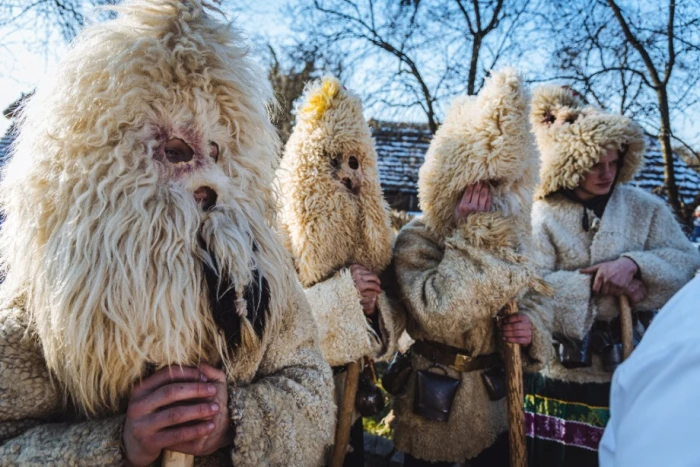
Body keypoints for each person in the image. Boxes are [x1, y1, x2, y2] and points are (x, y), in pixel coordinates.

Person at [0, 1, 335, 465]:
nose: (211, 182)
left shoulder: (265, 275)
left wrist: (236, 422)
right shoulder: (45, 295)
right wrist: (118, 445)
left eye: (217, 154)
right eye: (177, 151)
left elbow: (312, 393)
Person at [526, 85, 700, 467]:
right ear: (572, 161)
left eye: (613, 163)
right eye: (594, 164)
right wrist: (594, 285)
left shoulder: (645, 208)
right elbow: (529, 289)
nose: (607, 173)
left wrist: (634, 265)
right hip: (559, 372)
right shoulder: (541, 216)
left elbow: (686, 266)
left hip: (630, 361)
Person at [391, 70, 553, 467]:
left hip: (494, 403)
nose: (488, 200)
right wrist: (473, 238)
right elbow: (439, 314)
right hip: (434, 407)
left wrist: (530, 329)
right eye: (477, 185)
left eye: (498, 186)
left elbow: (537, 297)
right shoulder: (418, 238)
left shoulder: (516, 242)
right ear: (450, 180)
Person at [277, 76, 403, 466]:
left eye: (355, 162)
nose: (348, 174)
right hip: (292, 397)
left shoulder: (375, 236)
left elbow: (396, 322)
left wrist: (370, 307)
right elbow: (274, 323)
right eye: (334, 161)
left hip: (350, 391)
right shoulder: (276, 226)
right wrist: (344, 296)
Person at [598, 275, 700, 466]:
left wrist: (637, 265)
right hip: (580, 363)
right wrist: (593, 282)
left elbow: (678, 264)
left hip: (633, 347)